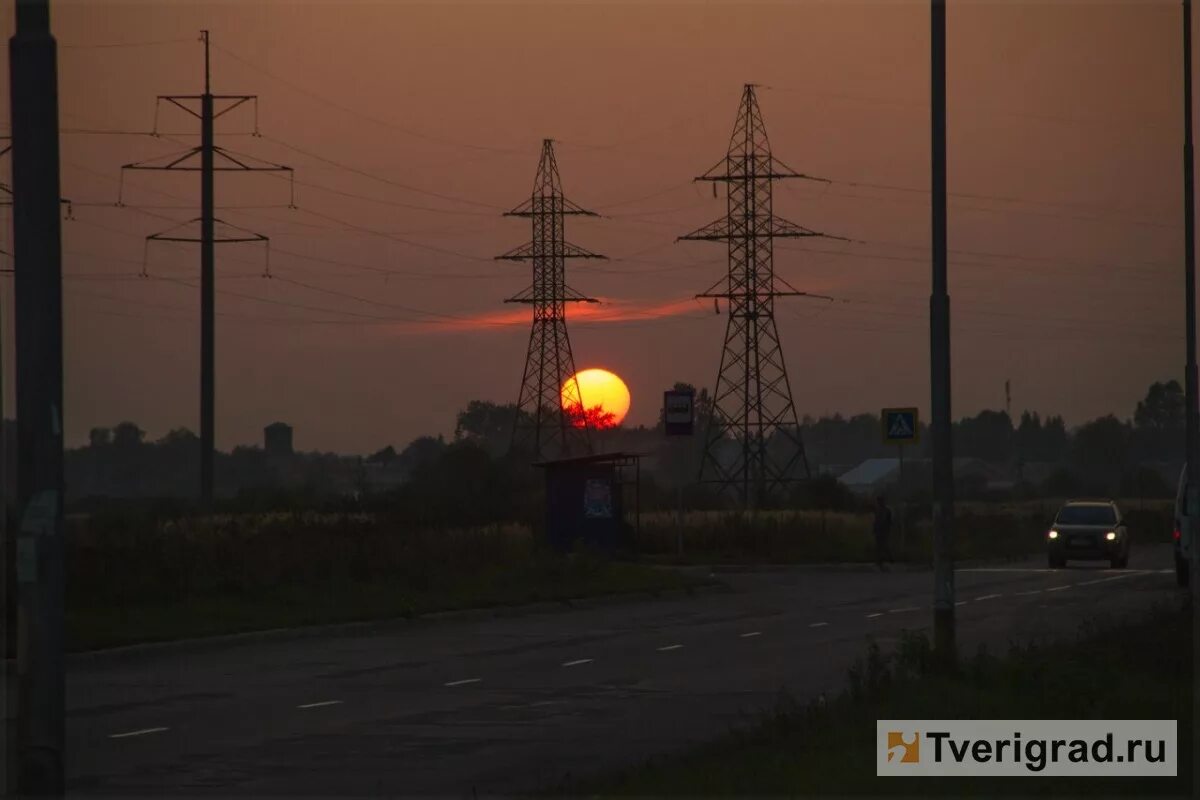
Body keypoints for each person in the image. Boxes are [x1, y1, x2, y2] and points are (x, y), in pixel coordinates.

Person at [873, 494, 894, 571]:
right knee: (879, 546)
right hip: (879, 530)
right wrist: (874, 529)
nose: (879, 502)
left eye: (879, 501)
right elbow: (876, 521)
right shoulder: (878, 510)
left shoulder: (887, 510)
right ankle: (880, 561)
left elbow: (889, 521)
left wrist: (887, 529)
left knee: (884, 546)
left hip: (884, 530)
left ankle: (890, 559)